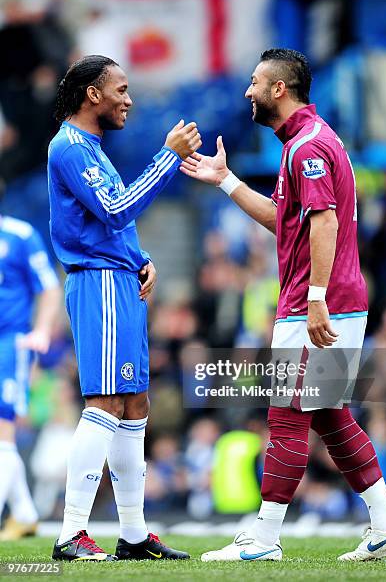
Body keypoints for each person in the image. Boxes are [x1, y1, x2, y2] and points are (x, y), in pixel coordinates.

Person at [180, 48, 386, 562]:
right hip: (336, 299)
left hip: (319, 303)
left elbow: (324, 224)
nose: (247, 91)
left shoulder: (307, 148)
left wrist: (314, 299)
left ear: (279, 89)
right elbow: (286, 220)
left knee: (286, 415)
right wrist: (227, 180)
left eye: (255, 82)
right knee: (328, 414)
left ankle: (263, 539)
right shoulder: (306, 143)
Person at [47, 55, 201, 561]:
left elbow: (110, 220)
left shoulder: (91, 148)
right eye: (121, 89)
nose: (129, 100)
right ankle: (71, 532)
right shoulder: (70, 147)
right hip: (99, 287)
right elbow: (116, 208)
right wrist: (168, 156)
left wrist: (141, 257)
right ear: (94, 94)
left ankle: (133, 534)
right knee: (106, 402)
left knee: (134, 405)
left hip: (120, 281)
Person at [0, 190, 61, 540]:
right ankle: (24, 514)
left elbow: (50, 287)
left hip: (10, 343)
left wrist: (40, 330)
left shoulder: (20, 236)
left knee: (4, 428)